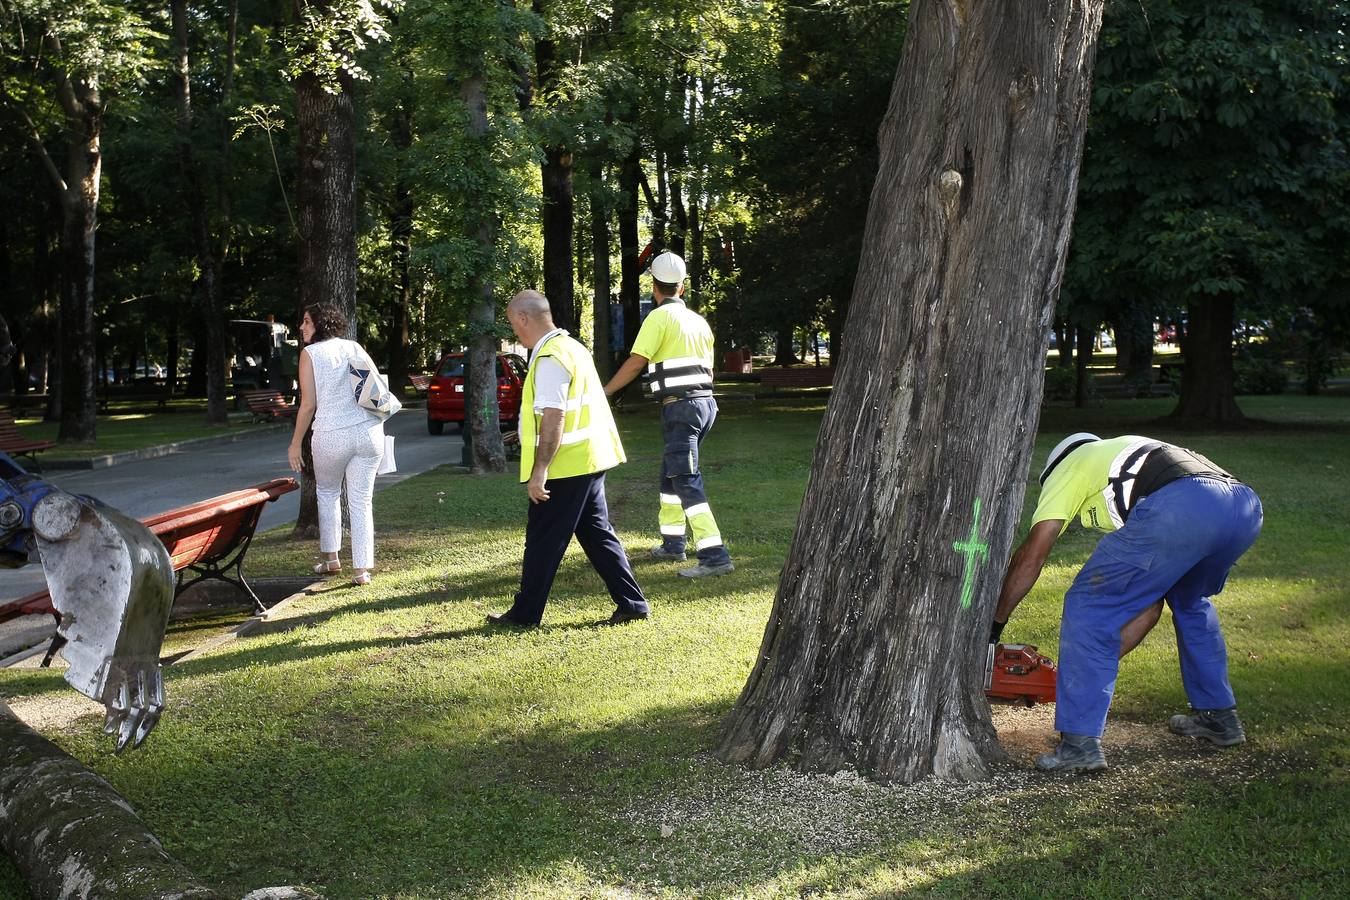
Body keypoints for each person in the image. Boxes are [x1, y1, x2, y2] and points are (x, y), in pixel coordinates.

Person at [992, 433, 1263, 773]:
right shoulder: (1129, 463)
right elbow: (1147, 610)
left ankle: (1078, 744)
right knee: (1190, 601)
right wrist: (1080, 672)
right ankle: (1219, 718)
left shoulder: (1072, 464)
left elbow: (1033, 556)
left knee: (1090, 603)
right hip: (1241, 508)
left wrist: (995, 625)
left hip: (1183, 507)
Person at [486, 290, 650, 628]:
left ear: (523, 319)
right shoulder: (572, 348)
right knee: (597, 534)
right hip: (590, 457)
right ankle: (632, 603)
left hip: (566, 465)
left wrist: (539, 471)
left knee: (543, 541)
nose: (513, 331)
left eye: (512, 324)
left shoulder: (549, 357)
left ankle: (524, 615)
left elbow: (555, 417)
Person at [603, 251, 733, 578]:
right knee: (670, 473)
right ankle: (673, 543)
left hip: (681, 408)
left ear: (654, 287)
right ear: (682, 287)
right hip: (704, 405)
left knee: (685, 478)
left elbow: (636, 362)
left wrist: (605, 393)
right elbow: (709, 369)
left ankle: (714, 555)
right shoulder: (698, 321)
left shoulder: (658, 319)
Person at [287, 303, 386, 587]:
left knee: (328, 493)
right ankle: (361, 571)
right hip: (368, 433)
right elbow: (376, 389)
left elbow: (308, 405)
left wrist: (295, 444)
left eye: (306, 322)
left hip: (332, 434)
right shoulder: (354, 347)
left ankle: (331, 559)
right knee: (361, 501)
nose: (302, 327)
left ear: (320, 324)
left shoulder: (310, 354)